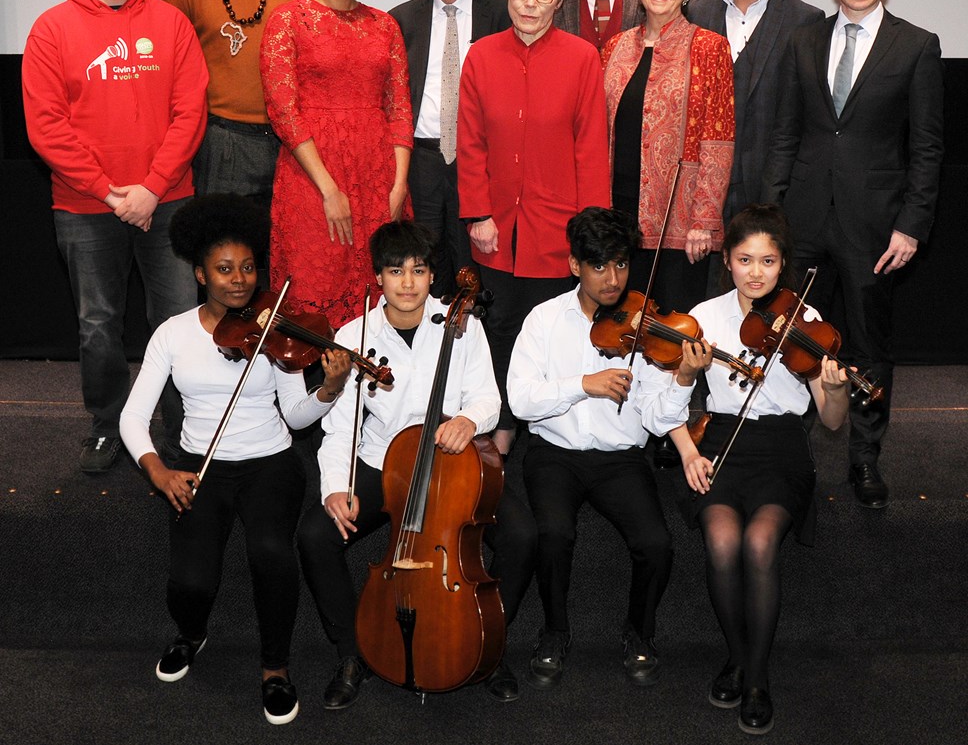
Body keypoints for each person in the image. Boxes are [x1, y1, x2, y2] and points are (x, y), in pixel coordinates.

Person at [118, 194, 352, 725]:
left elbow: (294, 416)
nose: (239, 279)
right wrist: (159, 472)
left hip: (270, 461)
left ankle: (275, 669)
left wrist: (330, 387)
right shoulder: (172, 335)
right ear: (200, 274)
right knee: (191, 581)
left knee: (272, 553)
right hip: (201, 465)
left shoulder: (274, 331)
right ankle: (191, 634)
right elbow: (132, 419)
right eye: (224, 269)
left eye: (247, 267)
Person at [298, 221, 537, 706]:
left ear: (433, 278)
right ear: (378, 278)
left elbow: (488, 397)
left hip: (451, 464)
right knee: (314, 536)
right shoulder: (353, 335)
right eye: (395, 271)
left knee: (523, 534)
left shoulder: (460, 322)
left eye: (419, 270)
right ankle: (351, 652)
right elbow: (340, 426)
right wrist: (332, 488)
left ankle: (486, 644)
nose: (408, 282)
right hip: (382, 461)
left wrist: (469, 420)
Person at [646, 204, 850, 735]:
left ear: (783, 266)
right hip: (719, 442)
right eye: (744, 260)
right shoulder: (706, 317)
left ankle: (754, 678)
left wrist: (835, 391)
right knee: (721, 539)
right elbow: (663, 409)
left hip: (781, 448)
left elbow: (830, 421)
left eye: (768, 261)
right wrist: (689, 444)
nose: (756, 272)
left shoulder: (804, 321)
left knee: (759, 543)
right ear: (728, 262)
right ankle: (739, 658)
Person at [762, 0, 944, 509]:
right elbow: (786, 132)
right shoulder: (804, 40)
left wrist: (912, 224)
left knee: (868, 346)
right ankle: (788, 452)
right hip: (803, 223)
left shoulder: (917, 45)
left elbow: (927, 147)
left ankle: (865, 459)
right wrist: (771, 216)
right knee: (791, 340)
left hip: (876, 231)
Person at [21, 0, 208, 473]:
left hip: (168, 202)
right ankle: (109, 425)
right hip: (84, 207)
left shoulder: (171, 23)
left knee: (178, 320)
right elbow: (46, 127)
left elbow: (190, 110)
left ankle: (182, 429)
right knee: (98, 323)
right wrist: (111, 194)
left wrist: (151, 189)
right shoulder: (51, 28)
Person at [507, 206, 674, 690]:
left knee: (657, 544)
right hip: (554, 453)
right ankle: (555, 631)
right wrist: (584, 384)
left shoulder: (644, 324)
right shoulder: (543, 320)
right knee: (552, 534)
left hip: (621, 458)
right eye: (599, 265)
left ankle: (639, 631)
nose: (612, 278)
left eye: (621, 264)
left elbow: (657, 418)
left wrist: (681, 379)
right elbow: (520, 401)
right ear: (574, 265)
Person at [457, 0, 611, 456]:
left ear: (558, 2)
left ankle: (537, 431)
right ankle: (499, 427)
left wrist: (588, 235)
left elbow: (591, 147)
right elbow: (470, 140)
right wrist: (477, 212)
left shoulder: (582, 58)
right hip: (495, 223)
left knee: (548, 331)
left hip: (558, 224)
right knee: (497, 329)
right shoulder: (481, 54)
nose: (527, 3)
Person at [602, 0, 734, 469]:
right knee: (620, 329)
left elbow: (719, 139)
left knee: (670, 335)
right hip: (618, 214)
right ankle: (624, 427)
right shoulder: (614, 48)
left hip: (680, 217)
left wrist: (705, 218)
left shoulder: (708, 47)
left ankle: (672, 434)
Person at [260, 0, 412, 328]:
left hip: (378, 177)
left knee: (383, 294)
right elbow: (283, 112)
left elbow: (399, 109)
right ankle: (314, 393)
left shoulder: (385, 26)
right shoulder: (287, 20)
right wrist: (328, 189)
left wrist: (398, 186)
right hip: (311, 178)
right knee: (314, 288)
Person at [161, 0, 316, 207]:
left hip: (293, 143)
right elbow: (168, 78)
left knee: (287, 258)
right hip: (221, 143)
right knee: (224, 255)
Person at [389, 0, 512, 297]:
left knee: (478, 264)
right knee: (423, 263)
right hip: (422, 162)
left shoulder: (506, 14)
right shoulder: (399, 20)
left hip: (481, 161)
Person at [688, 0, 823, 227]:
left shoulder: (806, 21)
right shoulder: (695, 15)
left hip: (770, 193)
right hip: (701, 191)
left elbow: (804, 119)